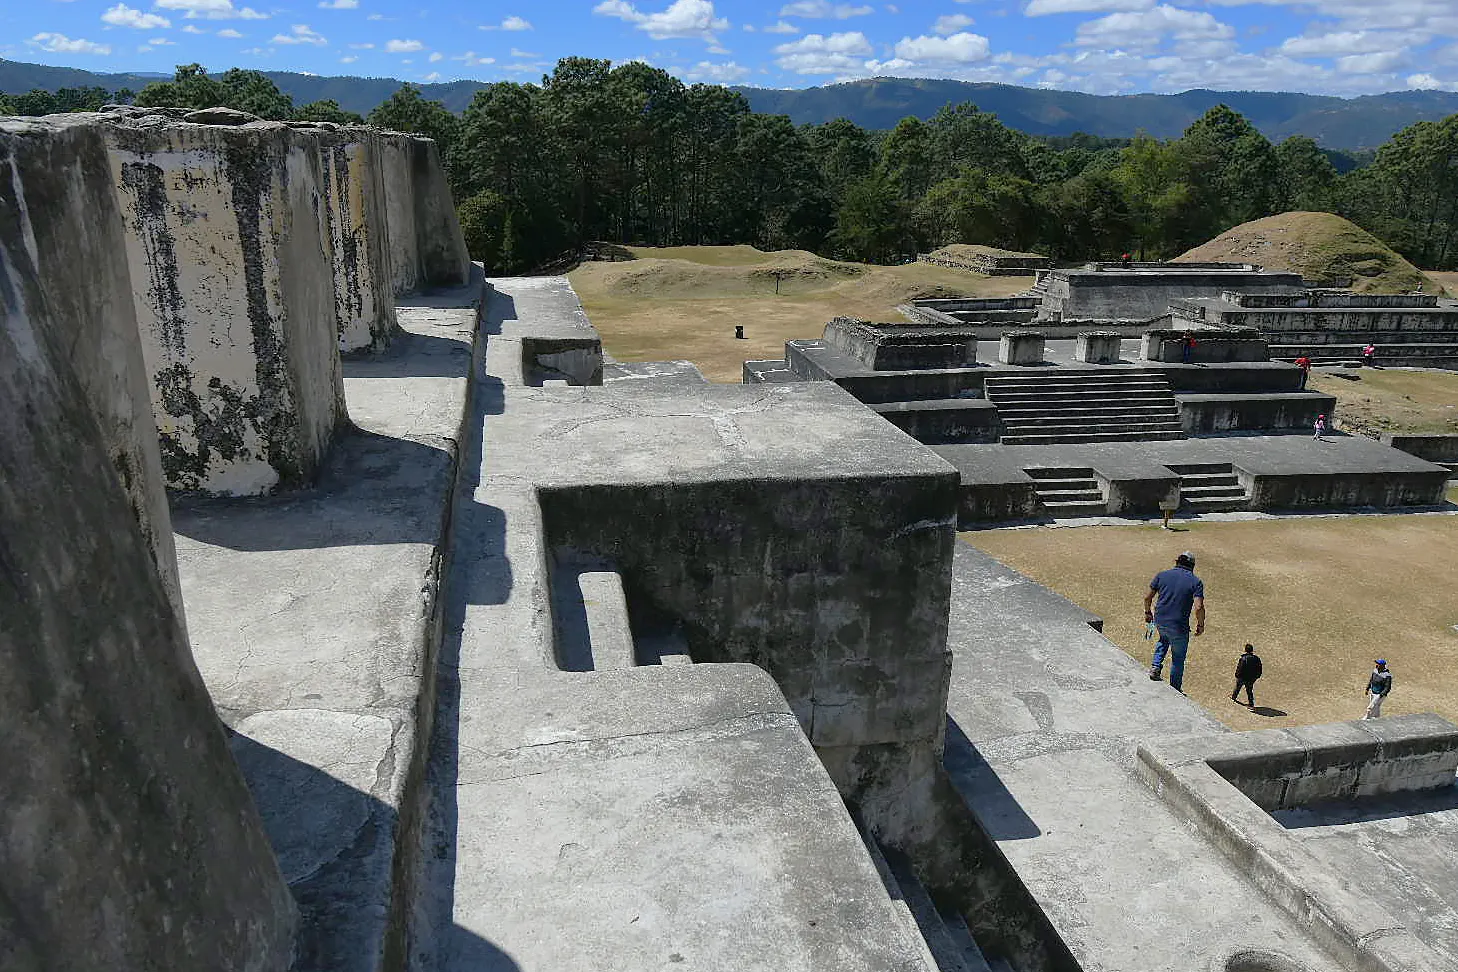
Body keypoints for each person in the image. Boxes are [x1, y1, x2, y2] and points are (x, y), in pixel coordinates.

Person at [1144, 551, 1206, 692]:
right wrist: (1200, 624)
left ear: (1177, 561)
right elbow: (1199, 607)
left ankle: (1155, 667)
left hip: (1160, 620)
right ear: (1192, 565)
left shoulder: (1162, 575)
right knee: (1178, 658)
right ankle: (1175, 689)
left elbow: (1147, 598)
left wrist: (1148, 612)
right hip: (1179, 626)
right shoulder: (1196, 582)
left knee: (1163, 639)